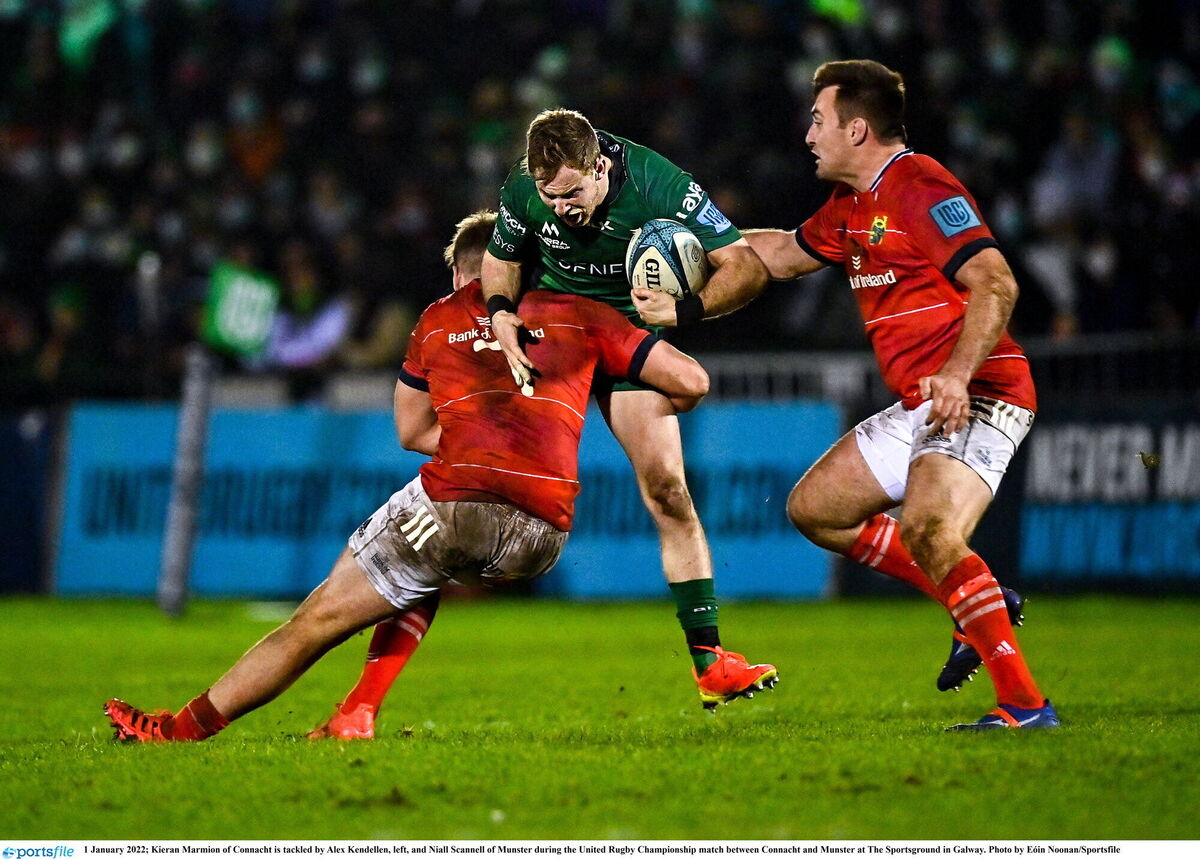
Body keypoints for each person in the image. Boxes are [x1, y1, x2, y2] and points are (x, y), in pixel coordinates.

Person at [103, 210, 771, 743]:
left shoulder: (440, 318)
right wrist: (601, 398)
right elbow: (693, 381)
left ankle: (177, 729)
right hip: (544, 532)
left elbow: (412, 432)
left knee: (315, 620)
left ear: (465, 270)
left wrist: (477, 424)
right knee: (421, 565)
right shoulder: (584, 315)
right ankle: (357, 710)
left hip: (456, 504)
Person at [636, 60, 1057, 730]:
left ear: (857, 129)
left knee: (927, 529)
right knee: (816, 510)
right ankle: (976, 602)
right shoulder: (850, 208)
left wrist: (954, 374)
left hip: (980, 391)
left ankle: (1025, 705)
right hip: (922, 402)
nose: (808, 134)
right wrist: (701, 241)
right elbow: (778, 255)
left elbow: (997, 282)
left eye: (818, 120)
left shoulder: (920, 186)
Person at [483, 109, 776, 708]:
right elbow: (502, 256)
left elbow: (745, 266)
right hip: (554, 335)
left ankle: (710, 662)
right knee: (480, 476)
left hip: (626, 338)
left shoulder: (658, 184)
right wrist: (498, 310)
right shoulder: (525, 183)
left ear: (600, 166)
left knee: (667, 488)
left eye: (571, 193)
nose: (560, 206)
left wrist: (687, 313)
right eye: (548, 196)